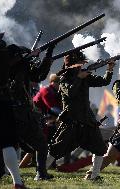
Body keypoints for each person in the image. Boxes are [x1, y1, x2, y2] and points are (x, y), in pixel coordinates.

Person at [46, 51, 115, 181]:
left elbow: (104, 81)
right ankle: (41, 173)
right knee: (56, 149)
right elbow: (71, 93)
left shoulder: (84, 76)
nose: (80, 66)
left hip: (87, 120)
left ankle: (94, 176)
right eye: (78, 64)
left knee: (100, 148)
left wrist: (109, 68)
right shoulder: (64, 79)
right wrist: (79, 78)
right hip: (71, 120)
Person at [8, 43, 55, 181]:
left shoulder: (20, 67)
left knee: (39, 144)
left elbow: (38, 76)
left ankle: (41, 173)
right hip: (18, 112)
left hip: (20, 111)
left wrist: (49, 53)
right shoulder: (10, 67)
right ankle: (40, 173)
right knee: (38, 144)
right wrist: (27, 58)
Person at [0, 28, 26, 189]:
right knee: (7, 143)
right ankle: (17, 182)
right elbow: (15, 67)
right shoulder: (3, 54)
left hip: (0, 100)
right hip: (0, 101)